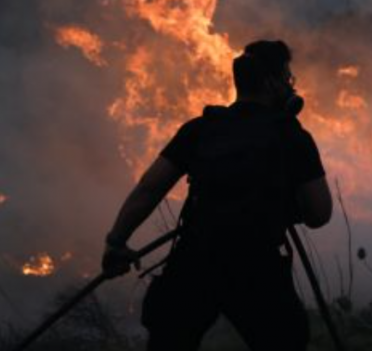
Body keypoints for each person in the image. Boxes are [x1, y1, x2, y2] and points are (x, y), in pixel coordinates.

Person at [101, 40, 332, 351]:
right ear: (271, 83)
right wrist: (283, 205)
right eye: (287, 78)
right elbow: (319, 214)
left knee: (170, 341)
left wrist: (117, 242)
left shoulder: (199, 129)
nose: (290, 86)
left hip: (196, 259)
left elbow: (149, 189)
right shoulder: (291, 135)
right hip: (258, 266)